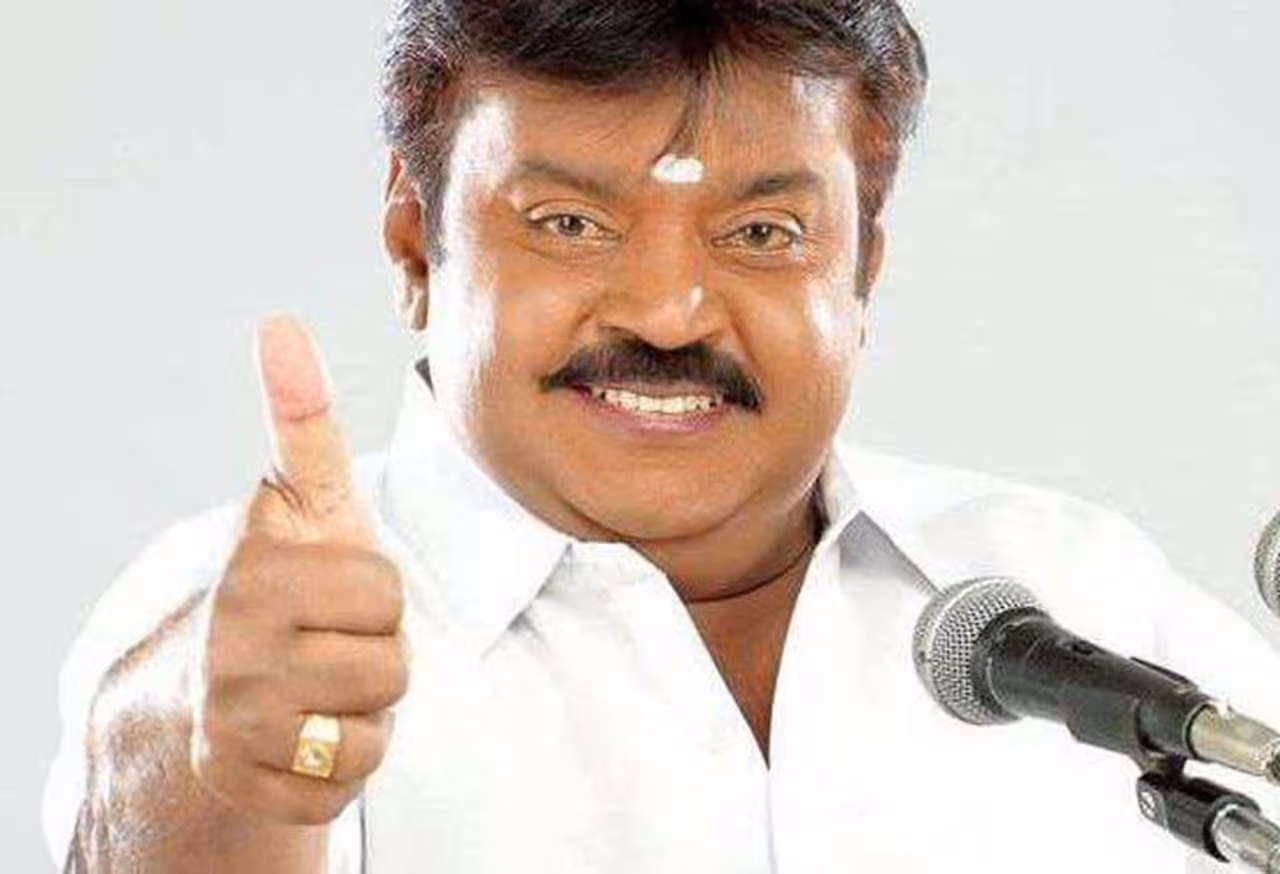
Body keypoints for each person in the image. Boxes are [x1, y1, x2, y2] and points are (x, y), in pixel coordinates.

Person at [43, 2, 1280, 872]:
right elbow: (162, 805)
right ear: (416, 244)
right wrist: (226, 762)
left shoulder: (1079, 588)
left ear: (861, 271)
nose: (668, 312)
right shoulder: (247, 622)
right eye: (568, 223)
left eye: (761, 235)